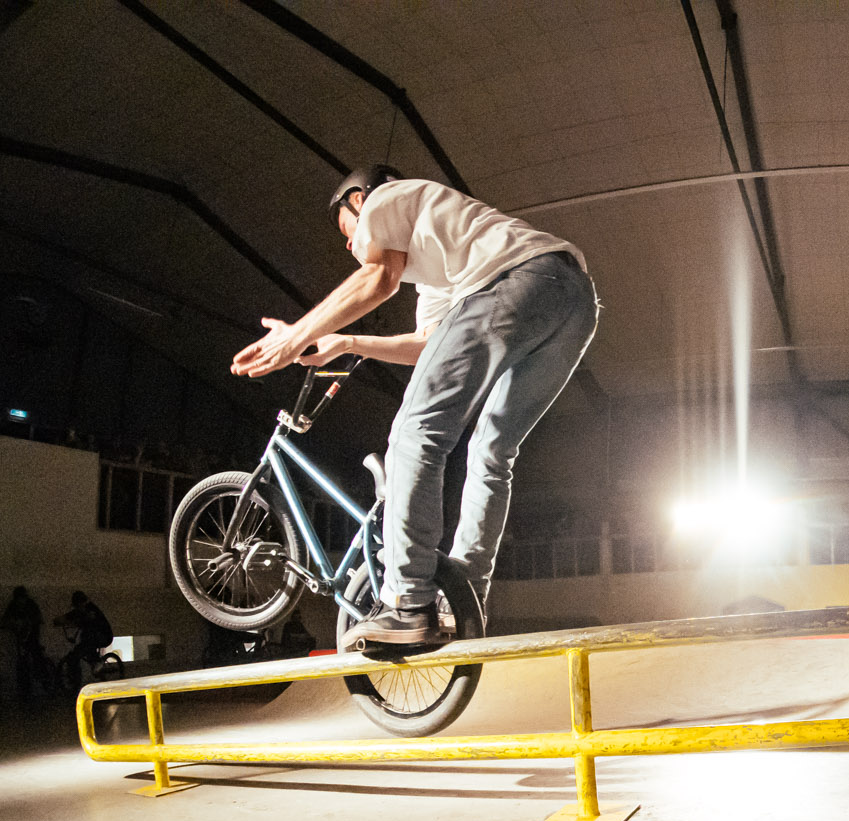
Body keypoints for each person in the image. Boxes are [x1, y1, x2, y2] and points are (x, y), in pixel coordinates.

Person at [232, 164, 599, 652]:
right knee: (492, 449)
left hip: (516, 284)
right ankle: (465, 593)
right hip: (574, 302)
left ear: (358, 199)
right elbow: (429, 345)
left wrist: (296, 336)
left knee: (415, 433)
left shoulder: (389, 198)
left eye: (348, 229)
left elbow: (378, 279)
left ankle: (407, 603)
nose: (349, 246)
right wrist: (348, 343)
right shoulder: (445, 259)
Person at [55, 591, 114, 691]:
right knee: (81, 649)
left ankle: (97, 662)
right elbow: (70, 616)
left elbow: (88, 617)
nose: (78, 607)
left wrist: (75, 621)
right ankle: (91, 666)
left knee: (85, 647)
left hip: (103, 636)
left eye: (78, 605)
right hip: (92, 637)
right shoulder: (80, 610)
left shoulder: (91, 609)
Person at [0, 585, 49, 699]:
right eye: (19, 599)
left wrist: (29, 622)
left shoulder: (31, 605)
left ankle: (43, 677)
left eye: (22, 598)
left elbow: (38, 618)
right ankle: (25, 687)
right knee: (22, 660)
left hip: (32, 635)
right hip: (20, 636)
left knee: (36, 654)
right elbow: (5, 619)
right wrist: (10, 624)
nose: (21, 601)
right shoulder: (13, 606)